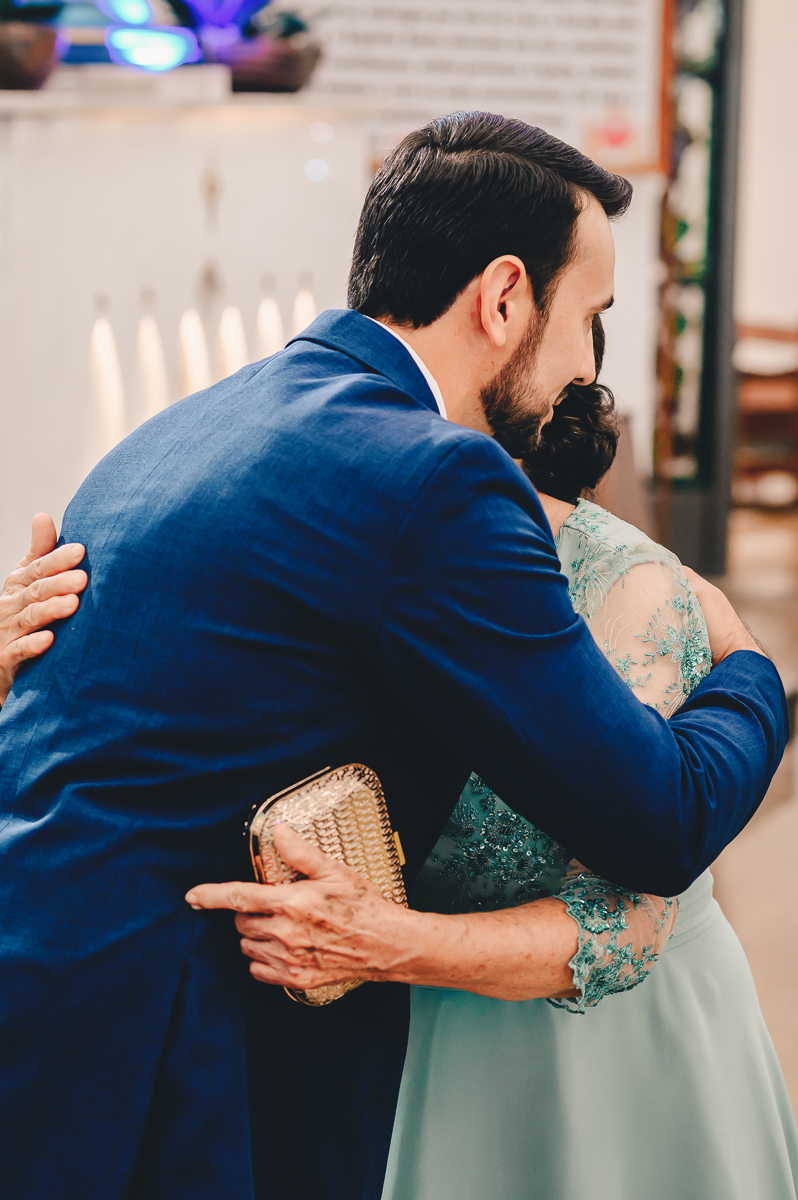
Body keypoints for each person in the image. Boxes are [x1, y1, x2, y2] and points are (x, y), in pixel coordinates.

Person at [0, 112, 787, 1200]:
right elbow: (657, 821)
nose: (581, 370)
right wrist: (751, 671)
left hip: (42, 1007)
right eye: (588, 316)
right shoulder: (439, 484)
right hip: (171, 1065)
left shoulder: (179, 431)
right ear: (504, 297)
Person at [377, 321, 798, 1200]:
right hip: (425, 1039)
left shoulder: (627, 585)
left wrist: (395, 945)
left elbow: (633, 908)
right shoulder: (369, 555)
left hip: (612, 1052)